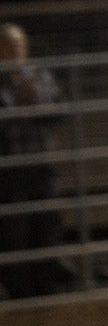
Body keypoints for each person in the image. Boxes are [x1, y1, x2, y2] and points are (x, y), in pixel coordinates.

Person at [1, 24, 66, 298]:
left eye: (20, 46)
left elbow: (58, 112)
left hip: (40, 165)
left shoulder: (39, 76)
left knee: (47, 227)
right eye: (10, 46)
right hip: (10, 169)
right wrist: (18, 106)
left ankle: (46, 289)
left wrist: (36, 105)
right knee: (14, 234)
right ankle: (19, 293)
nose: (17, 52)